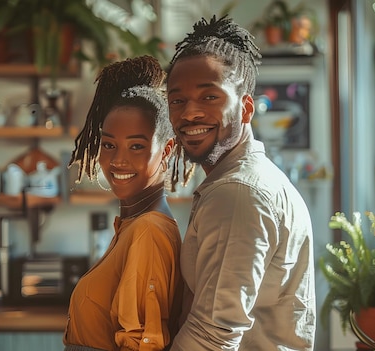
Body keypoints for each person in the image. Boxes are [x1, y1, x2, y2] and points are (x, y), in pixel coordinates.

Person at [165, 15, 316, 350]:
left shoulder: (237, 193)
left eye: (209, 97)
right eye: (177, 100)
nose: (189, 113)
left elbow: (212, 335)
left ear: (246, 108)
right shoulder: (244, 182)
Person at [64, 55, 183, 351]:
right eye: (109, 145)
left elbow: (144, 344)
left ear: (166, 150)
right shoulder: (132, 226)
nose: (118, 160)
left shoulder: (148, 232)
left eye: (137, 146)